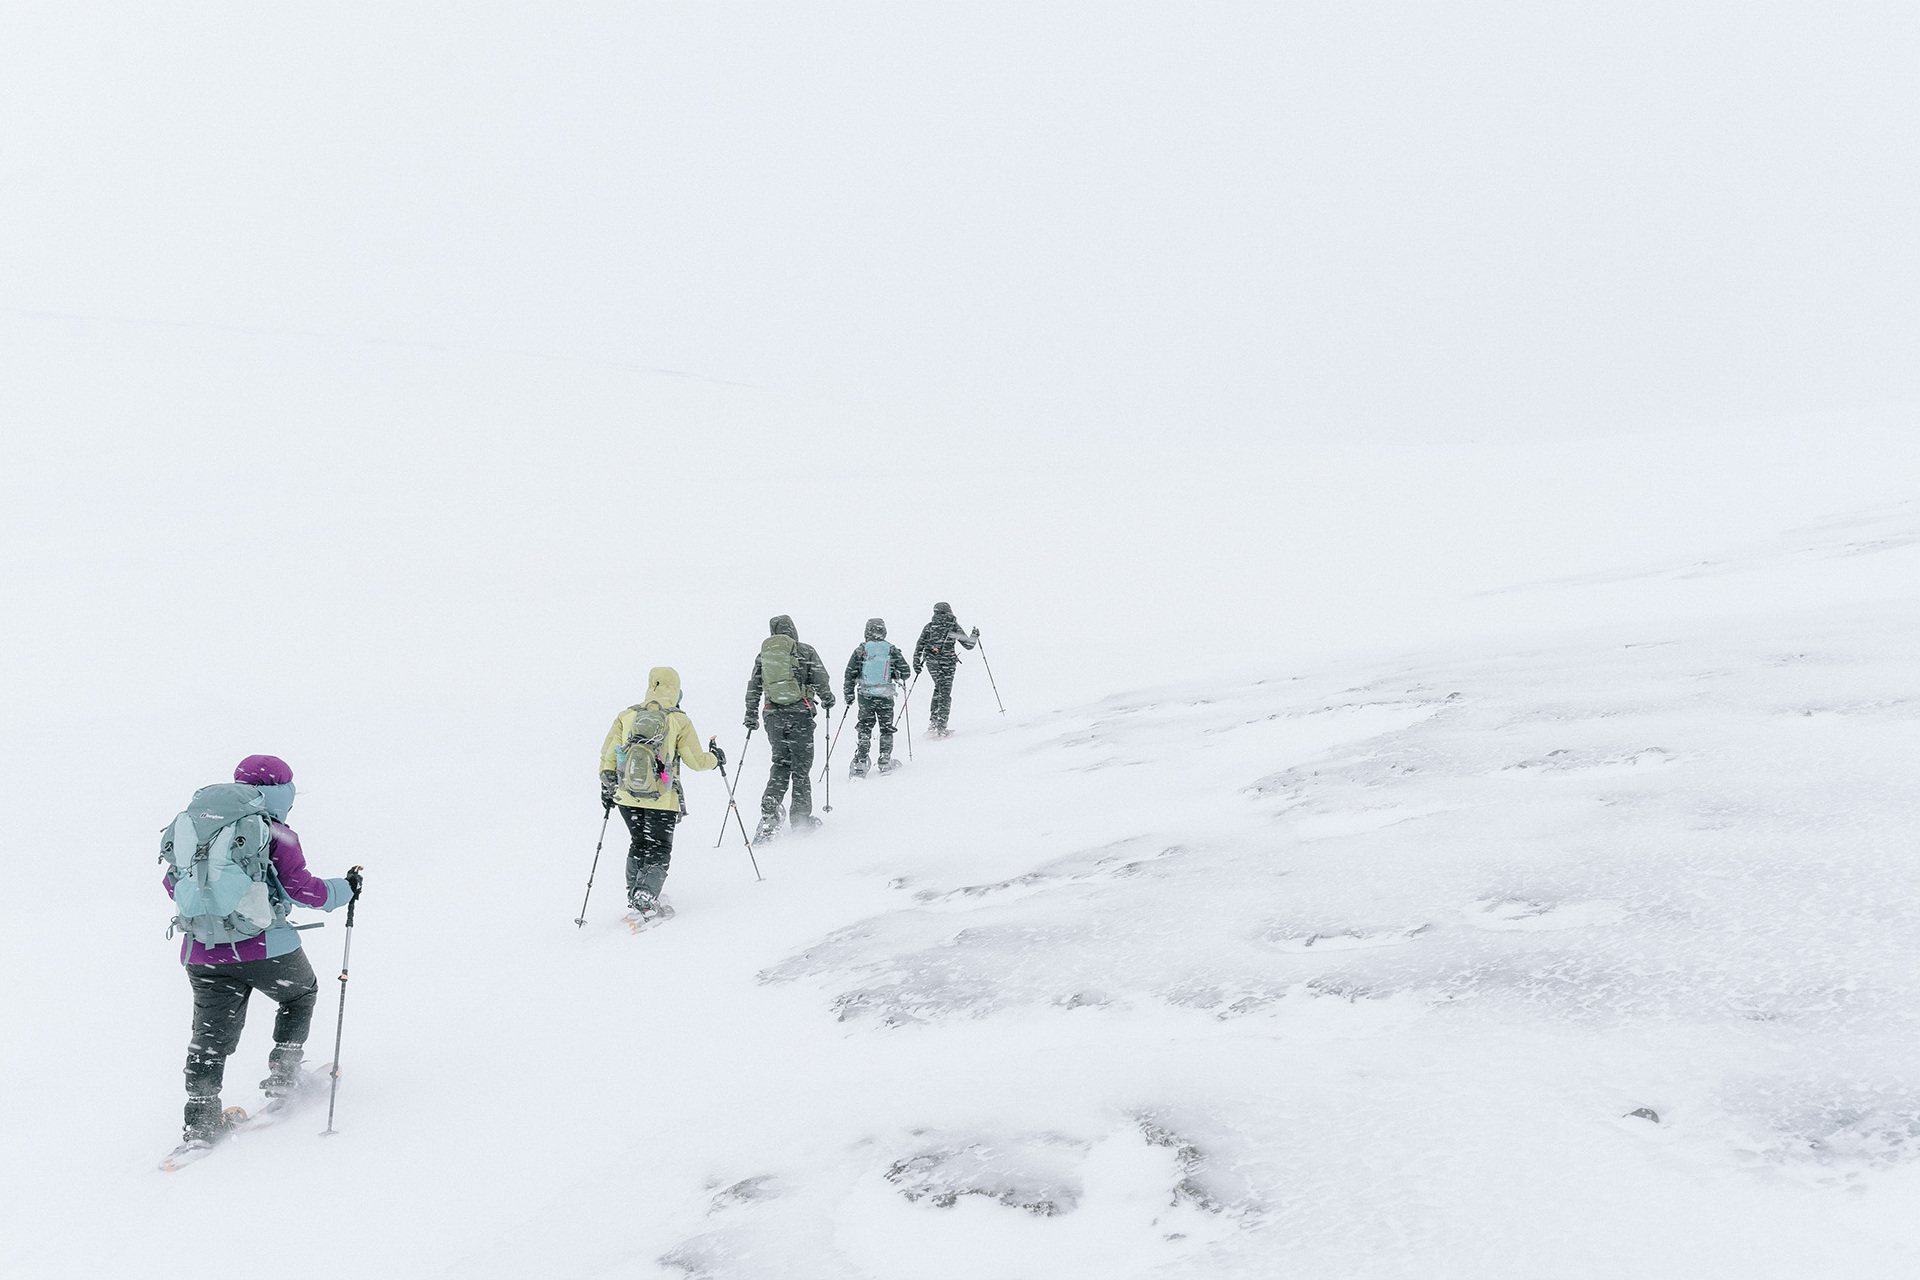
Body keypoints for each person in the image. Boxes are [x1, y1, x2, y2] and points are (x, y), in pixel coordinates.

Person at [161, 754, 357, 1157]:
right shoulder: (275, 833)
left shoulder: (197, 828)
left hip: (203, 953)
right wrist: (346, 889)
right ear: (281, 792)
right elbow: (305, 892)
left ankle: (200, 1122)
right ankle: (285, 1076)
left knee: (209, 1038)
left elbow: (173, 884)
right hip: (266, 949)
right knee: (298, 995)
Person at [599, 667, 722, 922]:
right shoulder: (678, 719)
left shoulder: (628, 715)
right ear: (676, 689)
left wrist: (606, 784)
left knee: (639, 843)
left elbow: (609, 753)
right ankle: (646, 895)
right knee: (659, 847)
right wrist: (716, 759)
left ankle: (637, 894)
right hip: (661, 798)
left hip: (627, 796)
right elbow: (696, 761)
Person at [744, 614, 834, 840]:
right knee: (801, 768)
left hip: (773, 717)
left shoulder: (763, 656)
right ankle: (801, 820)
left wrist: (750, 715)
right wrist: (827, 698)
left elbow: (754, 687)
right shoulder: (805, 651)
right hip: (800, 715)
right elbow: (821, 678)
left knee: (781, 762)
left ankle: (771, 804)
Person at [843, 617, 911, 776]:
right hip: (886, 696)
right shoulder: (891, 649)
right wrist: (894, 673)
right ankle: (885, 759)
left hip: (865, 696)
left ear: (866, 631)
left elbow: (849, 674)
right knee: (886, 728)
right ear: (884, 631)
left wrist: (849, 695)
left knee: (865, 727)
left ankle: (861, 760)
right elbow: (906, 673)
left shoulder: (861, 650)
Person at [913, 601, 979, 737]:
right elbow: (968, 645)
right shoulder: (953, 626)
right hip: (947, 663)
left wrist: (916, 663)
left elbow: (919, 645)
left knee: (938, 688)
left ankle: (933, 722)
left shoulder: (929, 627)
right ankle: (941, 728)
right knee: (945, 693)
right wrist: (975, 635)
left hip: (931, 663)